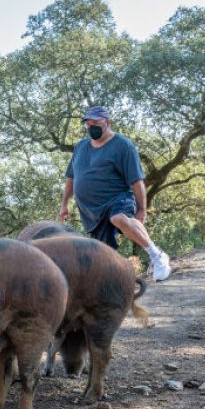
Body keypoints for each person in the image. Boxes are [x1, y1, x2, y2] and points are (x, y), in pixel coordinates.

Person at [57, 106, 171, 281]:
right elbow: (71, 177)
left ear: (107, 122)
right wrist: (64, 204)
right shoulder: (81, 147)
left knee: (118, 218)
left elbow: (137, 181)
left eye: (95, 123)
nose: (91, 127)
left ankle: (157, 256)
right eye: (88, 123)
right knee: (103, 253)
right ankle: (120, 280)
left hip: (118, 198)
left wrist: (142, 209)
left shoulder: (123, 146)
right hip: (92, 211)